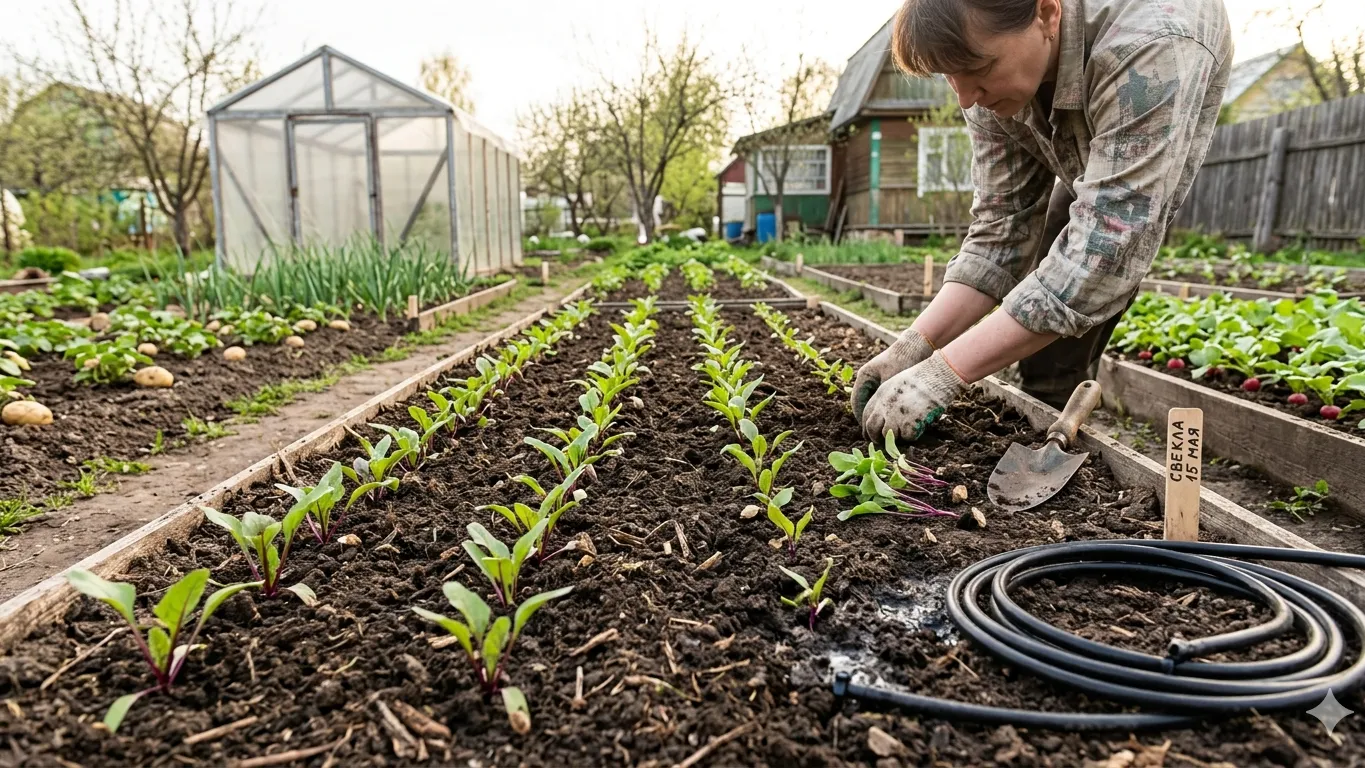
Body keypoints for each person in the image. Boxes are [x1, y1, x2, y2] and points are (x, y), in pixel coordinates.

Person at [853, 0, 1232, 439]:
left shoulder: (1152, 48)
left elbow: (1105, 249)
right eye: (950, 77)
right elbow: (1001, 230)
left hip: (1135, 139)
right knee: (1044, 335)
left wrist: (942, 374)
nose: (964, 97)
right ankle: (1045, 406)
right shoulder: (986, 86)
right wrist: (913, 347)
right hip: (1090, 171)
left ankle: (1054, 425)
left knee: (1066, 308)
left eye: (978, 68)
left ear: (1047, 15)